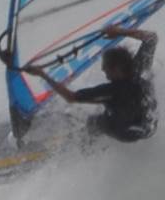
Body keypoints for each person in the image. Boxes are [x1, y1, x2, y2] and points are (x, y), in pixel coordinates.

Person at [23, 24, 158, 144]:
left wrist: (43, 75)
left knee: (94, 122)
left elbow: (71, 97)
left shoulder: (112, 90)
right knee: (124, 101)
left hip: (126, 132)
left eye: (106, 67)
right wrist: (120, 32)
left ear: (117, 69)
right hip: (149, 127)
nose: (103, 70)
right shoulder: (138, 67)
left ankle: (85, 148)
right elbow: (151, 37)